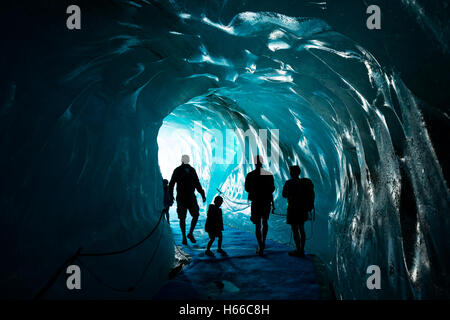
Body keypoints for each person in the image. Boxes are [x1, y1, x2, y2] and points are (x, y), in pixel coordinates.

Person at [169, 155, 206, 245]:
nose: (186, 160)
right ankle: (184, 236)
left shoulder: (190, 170)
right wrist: (170, 194)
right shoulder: (179, 170)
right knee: (184, 217)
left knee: (194, 215)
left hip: (188, 197)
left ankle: (188, 234)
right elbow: (172, 183)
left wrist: (202, 194)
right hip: (183, 197)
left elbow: (197, 183)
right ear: (183, 160)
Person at [244, 155, 275, 256]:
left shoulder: (250, 175)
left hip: (256, 202)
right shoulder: (269, 175)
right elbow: (272, 189)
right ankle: (264, 242)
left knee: (257, 225)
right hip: (266, 201)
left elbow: (247, 189)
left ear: (254, 163)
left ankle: (260, 245)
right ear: (262, 162)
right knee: (265, 222)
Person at [282, 165, 314, 257]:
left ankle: (297, 249)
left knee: (294, 229)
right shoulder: (304, 183)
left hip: (292, 209)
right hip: (302, 209)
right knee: (301, 228)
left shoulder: (289, 183)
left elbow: (284, 195)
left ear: (291, 173)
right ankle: (302, 249)